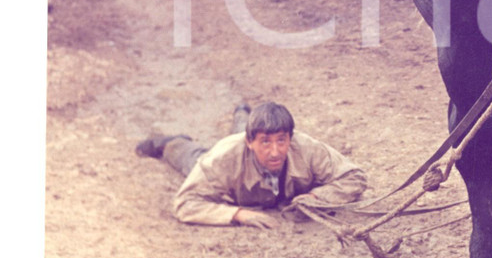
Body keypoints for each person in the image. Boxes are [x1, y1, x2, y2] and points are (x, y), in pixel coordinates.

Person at [136, 101, 367, 228]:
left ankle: (242, 113)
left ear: (290, 138)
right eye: (265, 142)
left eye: (282, 141)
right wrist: (237, 214)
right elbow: (185, 203)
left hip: (245, 142)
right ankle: (169, 143)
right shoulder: (222, 159)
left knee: (243, 129)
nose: (275, 152)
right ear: (251, 142)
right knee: (191, 157)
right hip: (231, 159)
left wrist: (318, 197)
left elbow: (354, 177)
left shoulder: (306, 147)